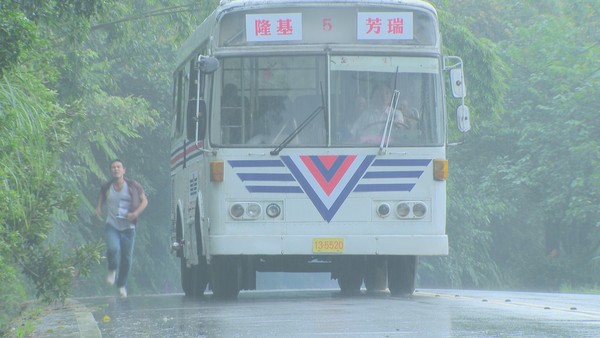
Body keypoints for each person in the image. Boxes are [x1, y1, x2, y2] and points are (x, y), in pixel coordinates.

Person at [96, 159, 148, 298]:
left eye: (118, 167)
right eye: (113, 167)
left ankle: (121, 285)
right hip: (112, 225)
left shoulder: (133, 185)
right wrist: (99, 207)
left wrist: (135, 213)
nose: (116, 169)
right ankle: (112, 269)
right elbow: (101, 195)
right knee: (113, 249)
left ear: (124, 170)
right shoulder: (107, 186)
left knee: (126, 258)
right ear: (110, 171)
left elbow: (145, 200)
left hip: (129, 228)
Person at [350, 84, 415, 144]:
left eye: (387, 93)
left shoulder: (396, 113)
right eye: (380, 93)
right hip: (368, 149)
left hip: (391, 149)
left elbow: (400, 125)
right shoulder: (366, 115)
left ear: (390, 97)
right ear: (374, 97)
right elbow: (353, 131)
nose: (384, 96)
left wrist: (397, 124)